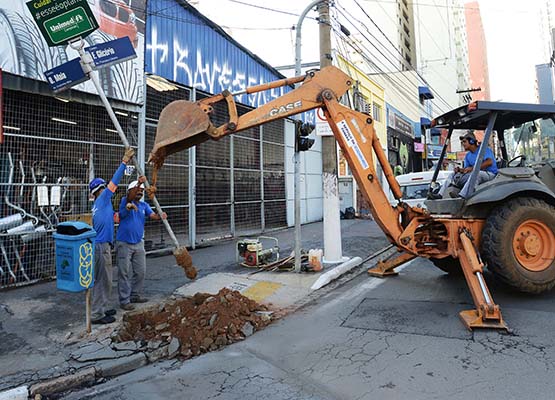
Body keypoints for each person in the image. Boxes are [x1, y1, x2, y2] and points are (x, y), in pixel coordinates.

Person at [89, 147, 134, 324]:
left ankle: (102, 308)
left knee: (104, 280)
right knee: (104, 281)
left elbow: (111, 218)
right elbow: (115, 182)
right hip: (101, 247)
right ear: (100, 189)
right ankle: (96, 314)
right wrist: (124, 162)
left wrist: (124, 211)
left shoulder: (100, 205)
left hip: (100, 245)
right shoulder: (103, 199)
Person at [116, 177, 167, 310]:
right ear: (130, 191)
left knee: (140, 271)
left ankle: (135, 295)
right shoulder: (125, 202)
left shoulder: (144, 206)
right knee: (124, 272)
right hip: (124, 243)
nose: (140, 192)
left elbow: (153, 216)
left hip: (138, 243)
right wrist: (139, 183)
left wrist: (160, 216)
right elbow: (130, 198)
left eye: (141, 191)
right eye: (137, 190)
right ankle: (124, 300)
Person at [445, 132, 498, 199]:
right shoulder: (468, 155)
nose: (463, 144)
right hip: (475, 174)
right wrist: (460, 170)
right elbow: (467, 169)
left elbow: (489, 162)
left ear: (472, 141)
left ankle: (462, 196)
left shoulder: (485, 150)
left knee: (476, 173)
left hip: (490, 174)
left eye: (464, 142)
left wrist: (473, 168)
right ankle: (440, 194)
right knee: (452, 174)